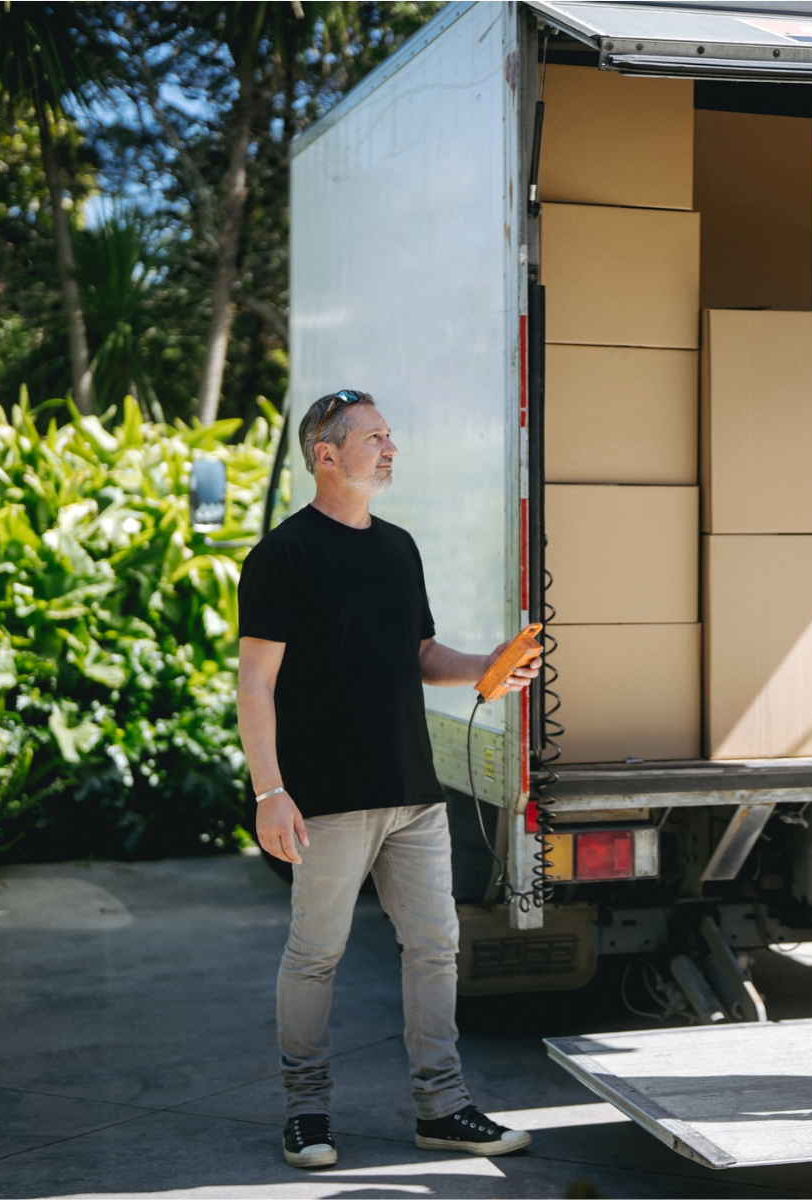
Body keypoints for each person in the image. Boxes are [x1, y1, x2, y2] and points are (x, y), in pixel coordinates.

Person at [237, 389, 540, 1167]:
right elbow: (256, 683)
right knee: (316, 954)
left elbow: (421, 654)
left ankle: (441, 1109)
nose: (390, 447)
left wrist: (488, 669)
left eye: (390, 436)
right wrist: (271, 791)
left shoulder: (398, 547)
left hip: (413, 791)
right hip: (327, 799)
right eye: (375, 437)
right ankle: (306, 1113)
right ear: (326, 455)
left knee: (435, 948)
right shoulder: (283, 556)